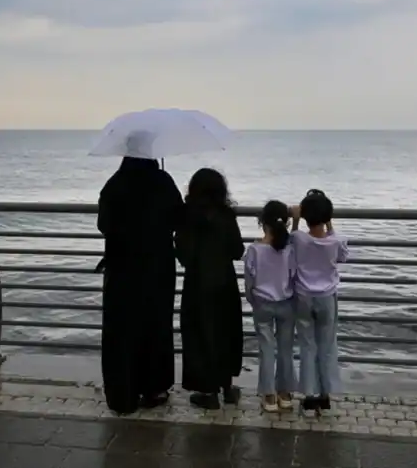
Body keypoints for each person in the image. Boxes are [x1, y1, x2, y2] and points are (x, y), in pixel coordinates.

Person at [96, 143, 184, 415]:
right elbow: (178, 218)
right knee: (155, 326)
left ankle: (122, 394)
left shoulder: (115, 184)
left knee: (121, 329)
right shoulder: (163, 182)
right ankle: (154, 388)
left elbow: (103, 225)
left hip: (122, 268)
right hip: (157, 268)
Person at [175, 167, 245, 409]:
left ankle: (208, 390)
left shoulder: (187, 216)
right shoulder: (226, 216)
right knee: (226, 332)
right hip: (225, 283)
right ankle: (227, 387)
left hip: (197, 284)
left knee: (200, 336)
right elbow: (238, 250)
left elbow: (183, 255)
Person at [290, 188, 349, 413]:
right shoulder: (336, 241)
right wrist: (330, 225)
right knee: (326, 344)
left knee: (307, 345)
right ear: (327, 217)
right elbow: (343, 255)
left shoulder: (298, 238)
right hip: (327, 297)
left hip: (304, 296)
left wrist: (295, 221)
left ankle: (310, 393)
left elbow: (291, 243)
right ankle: (325, 394)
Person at [243, 200, 297, 413]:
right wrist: (296, 220)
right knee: (285, 349)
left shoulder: (254, 250)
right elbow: (294, 277)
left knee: (266, 350)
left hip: (262, 304)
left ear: (262, 223)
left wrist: (252, 299)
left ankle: (269, 396)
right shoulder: (289, 249)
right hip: (286, 303)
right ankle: (285, 393)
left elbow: (249, 281)